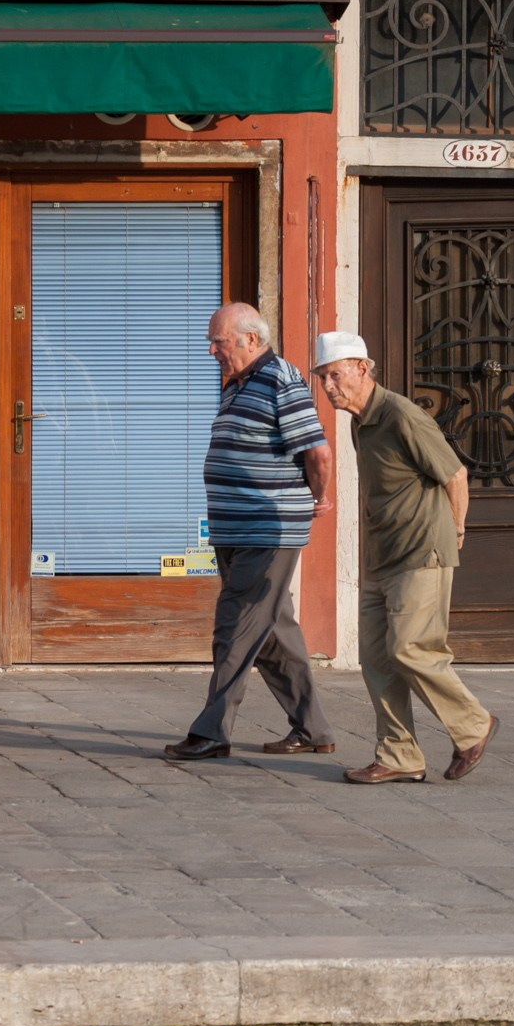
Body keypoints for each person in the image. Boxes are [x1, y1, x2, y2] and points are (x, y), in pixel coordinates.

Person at [308, 331, 499, 785]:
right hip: (383, 555)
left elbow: (455, 475)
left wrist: (456, 530)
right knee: (377, 658)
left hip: (421, 550)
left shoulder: (401, 415)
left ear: (362, 368)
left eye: (334, 375)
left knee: (411, 648)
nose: (328, 386)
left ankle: (474, 724)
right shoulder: (360, 423)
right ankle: (399, 756)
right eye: (322, 377)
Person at [163, 303, 337, 762]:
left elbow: (317, 452)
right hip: (237, 530)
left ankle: (211, 731)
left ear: (251, 340)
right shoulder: (237, 384)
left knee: (235, 626)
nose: (211, 350)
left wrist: (319, 498)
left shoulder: (281, 379)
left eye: (218, 341)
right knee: (274, 632)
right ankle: (313, 729)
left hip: (267, 531)